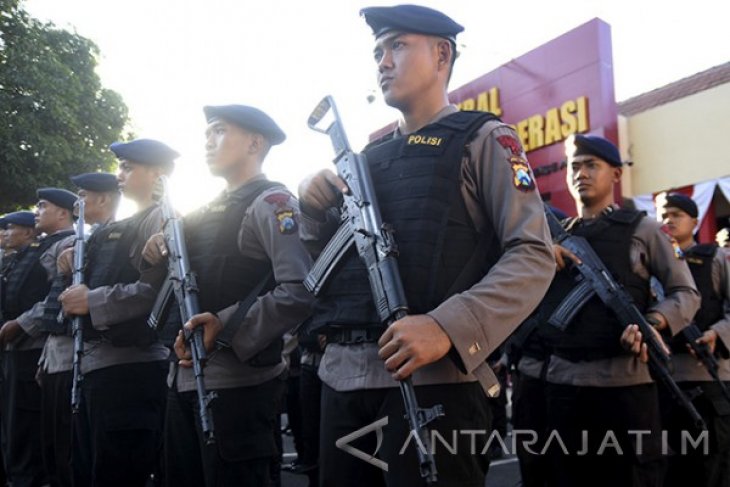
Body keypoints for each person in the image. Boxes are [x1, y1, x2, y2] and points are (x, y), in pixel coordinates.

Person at [298, 5, 555, 486]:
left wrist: (447, 326)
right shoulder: (363, 161)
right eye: (377, 51)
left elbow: (532, 254)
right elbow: (328, 268)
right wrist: (312, 210)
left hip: (435, 383)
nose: (382, 62)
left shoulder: (484, 139)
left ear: (442, 55)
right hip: (343, 380)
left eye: (396, 45)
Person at [141, 105, 314, 486]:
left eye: (218, 131)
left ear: (254, 143)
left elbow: (301, 289)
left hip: (237, 386)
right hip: (182, 379)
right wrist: (155, 252)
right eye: (206, 134)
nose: (207, 141)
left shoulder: (274, 204)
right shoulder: (201, 213)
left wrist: (227, 325)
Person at [535, 134, 700, 487]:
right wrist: (539, 260)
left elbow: (685, 292)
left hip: (624, 386)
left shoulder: (644, 230)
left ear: (615, 174)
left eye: (592, 165)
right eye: (574, 167)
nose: (581, 173)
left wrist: (653, 322)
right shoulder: (551, 240)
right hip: (563, 383)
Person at [58, 139, 178, 486]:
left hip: (130, 369)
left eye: (128, 167)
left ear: (156, 173)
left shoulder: (162, 219)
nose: (119, 175)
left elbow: (155, 292)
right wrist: (73, 255)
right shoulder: (124, 224)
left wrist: (91, 300)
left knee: (118, 472)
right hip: (102, 367)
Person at [35, 172, 120, 487]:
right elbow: (55, 305)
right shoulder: (90, 238)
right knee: (57, 449)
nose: (78, 203)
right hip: (64, 355)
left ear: (103, 199)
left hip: (90, 356)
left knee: (74, 452)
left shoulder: (92, 239)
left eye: (83, 196)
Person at [0, 189, 77, 487]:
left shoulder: (67, 244)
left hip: (34, 347)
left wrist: (18, 324)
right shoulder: (38, 247)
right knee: (13, 428)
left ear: (63, 213)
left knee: (27, 430)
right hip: (16, 348)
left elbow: (55, 296)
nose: (36, 210)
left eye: (43, 206)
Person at [660, 193, 730, 487]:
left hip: (710, 378)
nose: (668, 220)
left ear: (694, 221)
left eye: (676, 214)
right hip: (666, 379)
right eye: (664, 215)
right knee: (673, 469)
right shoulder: (655, 263)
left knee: (712, 467)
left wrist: (716, 334)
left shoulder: (714, 257)